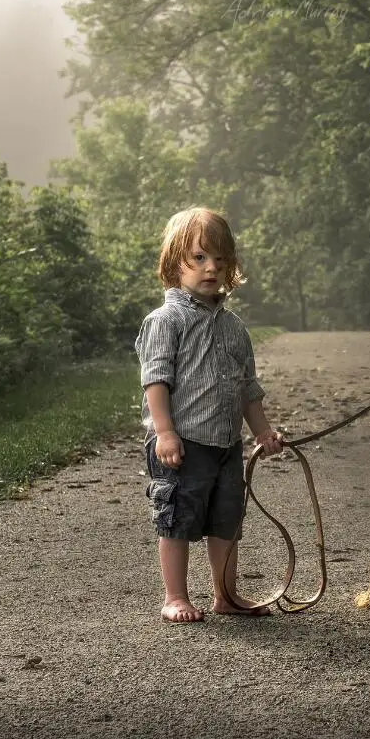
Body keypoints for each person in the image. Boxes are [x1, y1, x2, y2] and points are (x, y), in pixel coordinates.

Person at [134, 207, 284, 623]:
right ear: (173, 262)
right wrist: (164, 432)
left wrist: (263, 432)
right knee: (177, 516)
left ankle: (226, 594)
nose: (211, 267)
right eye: (198, 257)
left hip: (225, 444)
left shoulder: (234, 327)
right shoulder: (166, 320)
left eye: (220, 259)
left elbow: (246, 388)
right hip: (183, 442)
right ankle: (175, 597)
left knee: (226, 520)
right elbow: (156, 381)